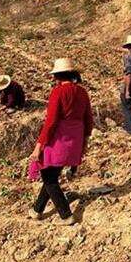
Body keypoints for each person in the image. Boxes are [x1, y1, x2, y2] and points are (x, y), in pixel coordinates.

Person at [28, 58, 94, 225]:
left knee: (49, 178)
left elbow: (50, 122)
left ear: (57, 76)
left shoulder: (57, 92)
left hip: (59, 138)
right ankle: (37, 210)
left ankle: (66, 215)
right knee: (51, 174)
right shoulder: (82, 92)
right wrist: (85, 140)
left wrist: (38, 146)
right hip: (75, 137)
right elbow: (88, 119)